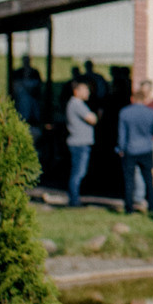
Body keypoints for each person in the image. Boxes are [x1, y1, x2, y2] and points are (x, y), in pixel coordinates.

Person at [118, 79, 153, 216]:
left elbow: (122, 134)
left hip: (130, 149)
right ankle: (152, 207)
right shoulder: (151, 113)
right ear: (144, 99)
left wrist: (121, 148)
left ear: (132, 99)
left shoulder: (124, 112)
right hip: (146, 149)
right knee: (148, 179)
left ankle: (129, 207)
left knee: (129, 180)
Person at [63, 78, 97, 208]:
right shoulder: (77, 104)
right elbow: (92, 119)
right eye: (85, 90)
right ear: (76, 91)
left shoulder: (77, 104)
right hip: (79, 143)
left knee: (79, 171)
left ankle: (75, 197)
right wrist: (96, 115)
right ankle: (74, 199)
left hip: (80, 142)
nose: (88, 92)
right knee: (78, 172)